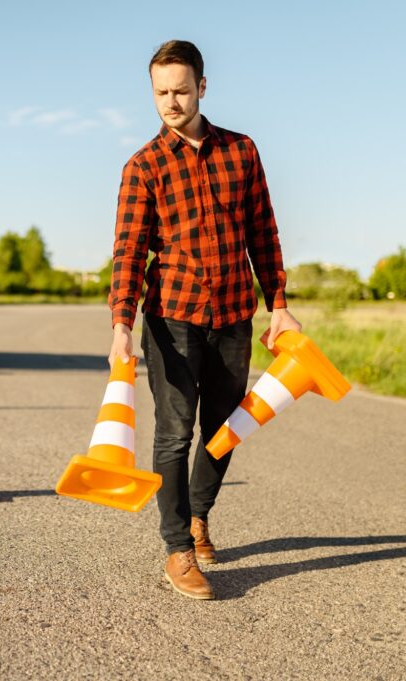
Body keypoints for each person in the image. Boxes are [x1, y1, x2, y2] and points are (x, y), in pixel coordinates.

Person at [107, 40, 302, 600]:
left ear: (203, 87)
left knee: (223, 429)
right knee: (174, 433)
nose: (171, 102)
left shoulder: (241, 151)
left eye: (181, 91)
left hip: (235, 314)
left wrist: (280, 303)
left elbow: (263, 231)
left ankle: (198, 515)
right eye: (161, 93)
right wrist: (122, 322)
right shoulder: (143, 166)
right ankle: (177, 548)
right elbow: (129, 249)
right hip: (171, 317)